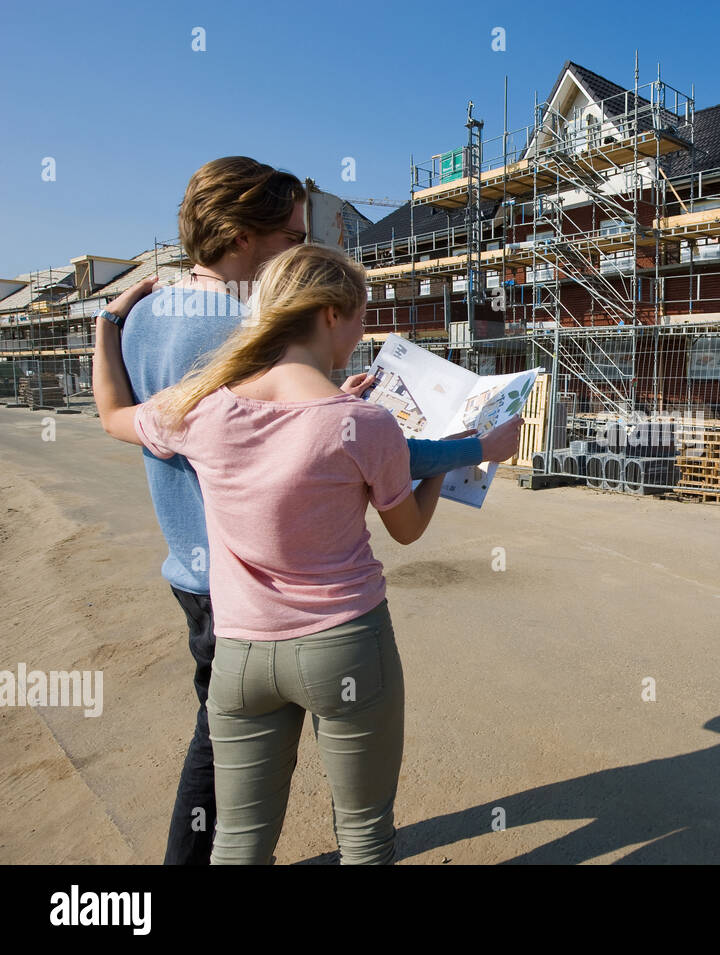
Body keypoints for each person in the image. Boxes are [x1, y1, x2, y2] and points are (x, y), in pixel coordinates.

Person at [107, 156, 489, 864]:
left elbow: (125, 416)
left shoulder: (159, 341)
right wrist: (461, 449)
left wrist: (105, 322)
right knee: (364, 831)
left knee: (239, 827)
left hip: (229, 611)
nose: (296, 244)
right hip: (333, 626)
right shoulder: (242, 327)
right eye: (291, 234)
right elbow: (393, 508)